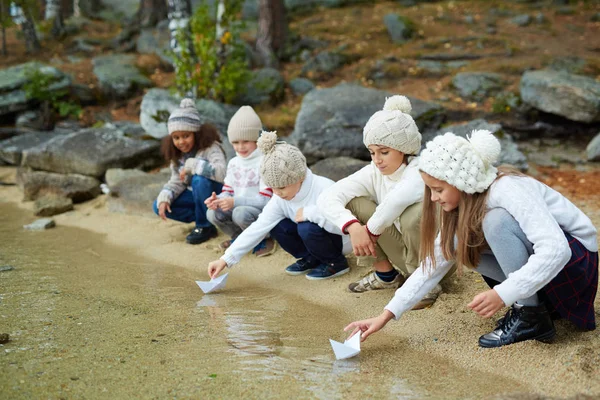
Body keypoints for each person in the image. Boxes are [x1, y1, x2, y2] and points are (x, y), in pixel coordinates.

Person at [345, 129, 598, 348]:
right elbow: (431, 267)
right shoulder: (463, 207)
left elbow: (557, 250)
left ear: (462, 183)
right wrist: (385, 316)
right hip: (546, 272)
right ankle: (534, 304)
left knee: (495, 222)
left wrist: (503, 293)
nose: (433, 199)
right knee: (457, 244)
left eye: (439, 190)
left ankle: (531, 315)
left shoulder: (507, 188)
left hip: (576, 265)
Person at [317, 95, 444, 308]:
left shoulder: (420, 169)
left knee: (413, 213)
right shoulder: (373, 172)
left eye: (384, 152)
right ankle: (386, 276)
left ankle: (424, 285)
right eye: (372, 152)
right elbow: (327, 197)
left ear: (404, 149)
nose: (377, 159)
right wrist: (353, 227)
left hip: (434, 260)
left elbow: (398, 198)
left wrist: (372, 230)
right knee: (355, 203)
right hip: (401, 251)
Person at [207, 131, 352, 281]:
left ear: (300, 177)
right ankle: (311, 258)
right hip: (313, 239)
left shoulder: (324, 188)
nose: (277, 193)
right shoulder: (279, 197)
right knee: (276, 225)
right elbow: (257, 228)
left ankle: (335, 262)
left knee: (306, 226)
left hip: (340, 241)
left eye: (282, 187)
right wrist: (225, 260)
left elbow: (344, 225)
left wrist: (310, 213)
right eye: (272, 187)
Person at [205, 105, 276, 257]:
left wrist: (235, 201)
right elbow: (228, 191)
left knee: (240, 213)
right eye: (236, 142)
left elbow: (266, 199)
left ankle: (265, 238)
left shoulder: (264, 161)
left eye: (246, 141)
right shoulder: (234, 163)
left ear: (257, 139)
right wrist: (218, 200)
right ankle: (238, 237)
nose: (240, 147)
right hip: (239, 206)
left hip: (260, 211)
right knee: (212, 213)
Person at [153, 98, 226, 245]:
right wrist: (166, 196)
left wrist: (193, 165)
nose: (181, 142)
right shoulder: (178, 155)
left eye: (186, 136)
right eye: (176, 137)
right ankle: (205, 218)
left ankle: (204, 226)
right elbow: (177, 180)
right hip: (198, 197)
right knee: (159, 204)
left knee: (199, 180)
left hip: (216, 193)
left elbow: (221, 172)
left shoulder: (211, 148)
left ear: (196, 133)